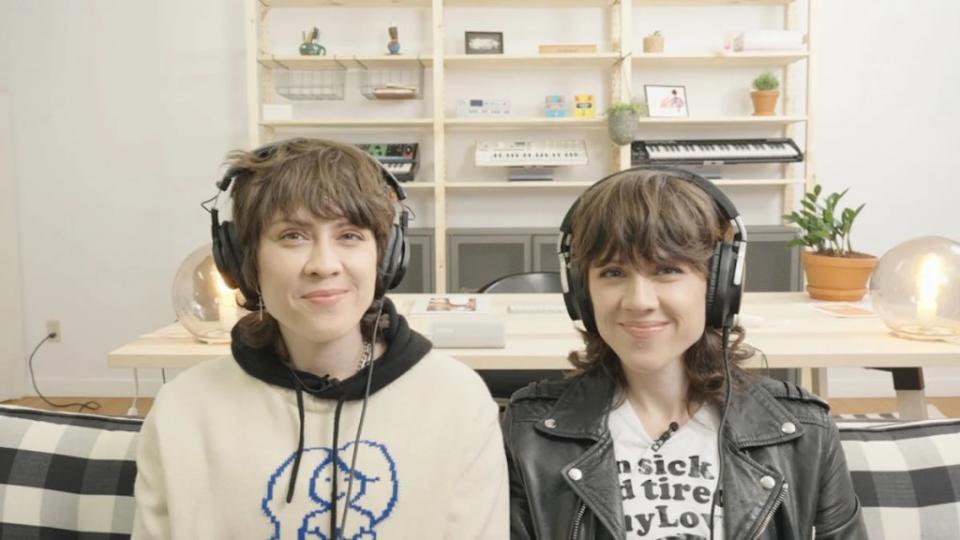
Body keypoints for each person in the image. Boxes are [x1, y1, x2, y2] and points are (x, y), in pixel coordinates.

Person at [133, 138, 508, 539]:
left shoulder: (459, 403)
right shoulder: (183, 411)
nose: (324, 265)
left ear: (386, 257)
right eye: (293, 235)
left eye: (349, 235)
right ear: (244, 260)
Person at [502, 168, 866, 539]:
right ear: (582, 293)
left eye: (667, 270)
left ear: (719, 286)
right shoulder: (529, 433)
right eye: (613, 273)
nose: (639, 301)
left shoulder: (803, 433)